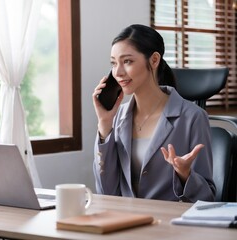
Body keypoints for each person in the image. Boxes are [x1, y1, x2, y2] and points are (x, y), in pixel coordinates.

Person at [92, 24, 216, 202]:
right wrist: (104, 124)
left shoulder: (193, 117)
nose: (118, 72)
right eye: (113, 63)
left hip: (169, 224)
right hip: (125, 222)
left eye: (127, 61)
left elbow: (207, 197)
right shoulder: (117, 118)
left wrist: (185, 174)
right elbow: (105, 192)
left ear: (154, 60)